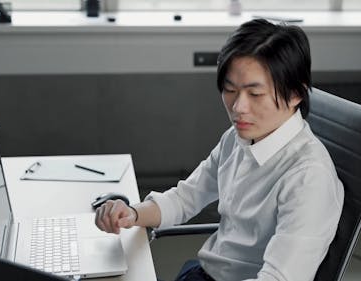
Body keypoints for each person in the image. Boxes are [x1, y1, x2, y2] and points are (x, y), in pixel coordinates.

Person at [95, 19, 344, 281]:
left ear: (295, 94)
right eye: (229, 90)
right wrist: (132, 214)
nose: (238, 107)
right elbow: (185, 198)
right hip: (206, 273)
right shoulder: (238, 139)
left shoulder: (309, 178)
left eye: (255, 94)